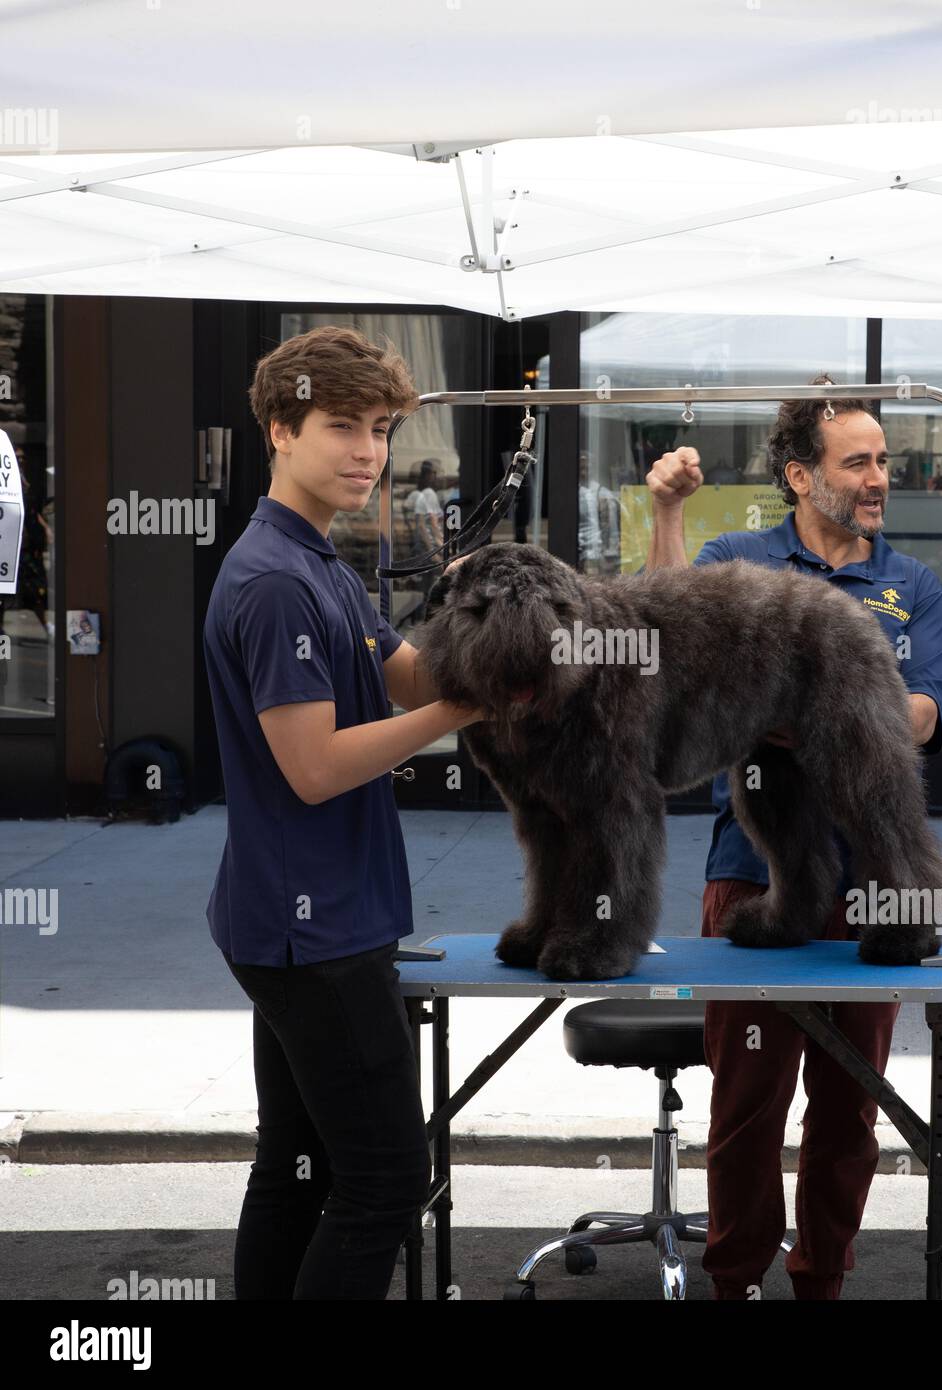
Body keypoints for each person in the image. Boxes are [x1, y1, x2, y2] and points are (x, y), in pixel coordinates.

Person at [645, 376, 942, 1300]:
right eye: (856, 462)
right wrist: (666, 512)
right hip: (751, 879)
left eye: (883, 461)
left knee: (847, 1110)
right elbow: (667, 649)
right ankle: (733, 1281)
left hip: (872, 890)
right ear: (799, 476)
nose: (877, 479)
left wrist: (815, 704)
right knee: (746, 1106)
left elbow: (926, 717)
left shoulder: (910, 585)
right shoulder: (739, 557)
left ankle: (821, 1278)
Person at [203, 325, 485, 1299]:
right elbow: (315, 766)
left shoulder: (320, 560)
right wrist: (460, 711)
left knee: (296, 1165)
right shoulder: (277, 581)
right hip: (310, 927)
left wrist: (494, 641)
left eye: (379, 429)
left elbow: (407, 677)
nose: (368, 452)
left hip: (304, 916)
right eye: (341, 427)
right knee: (383, 1180)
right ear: (280, 428)